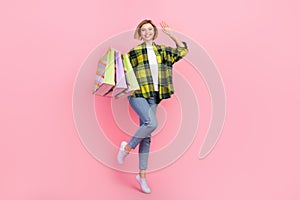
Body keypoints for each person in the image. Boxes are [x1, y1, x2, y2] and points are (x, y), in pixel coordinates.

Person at [117, 19, 189, 193]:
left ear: (154, 32)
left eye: (150, 29)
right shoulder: (134, 52)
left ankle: (141, 176)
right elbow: (123, 71)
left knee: (147, 135)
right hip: (138, 94)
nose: (147, 32)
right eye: (143, 30)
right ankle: (126, 148)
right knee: (152, 124)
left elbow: (183, 50)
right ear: (140, 34)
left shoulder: (162, 51)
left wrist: (171, 34)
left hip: (153, 97)